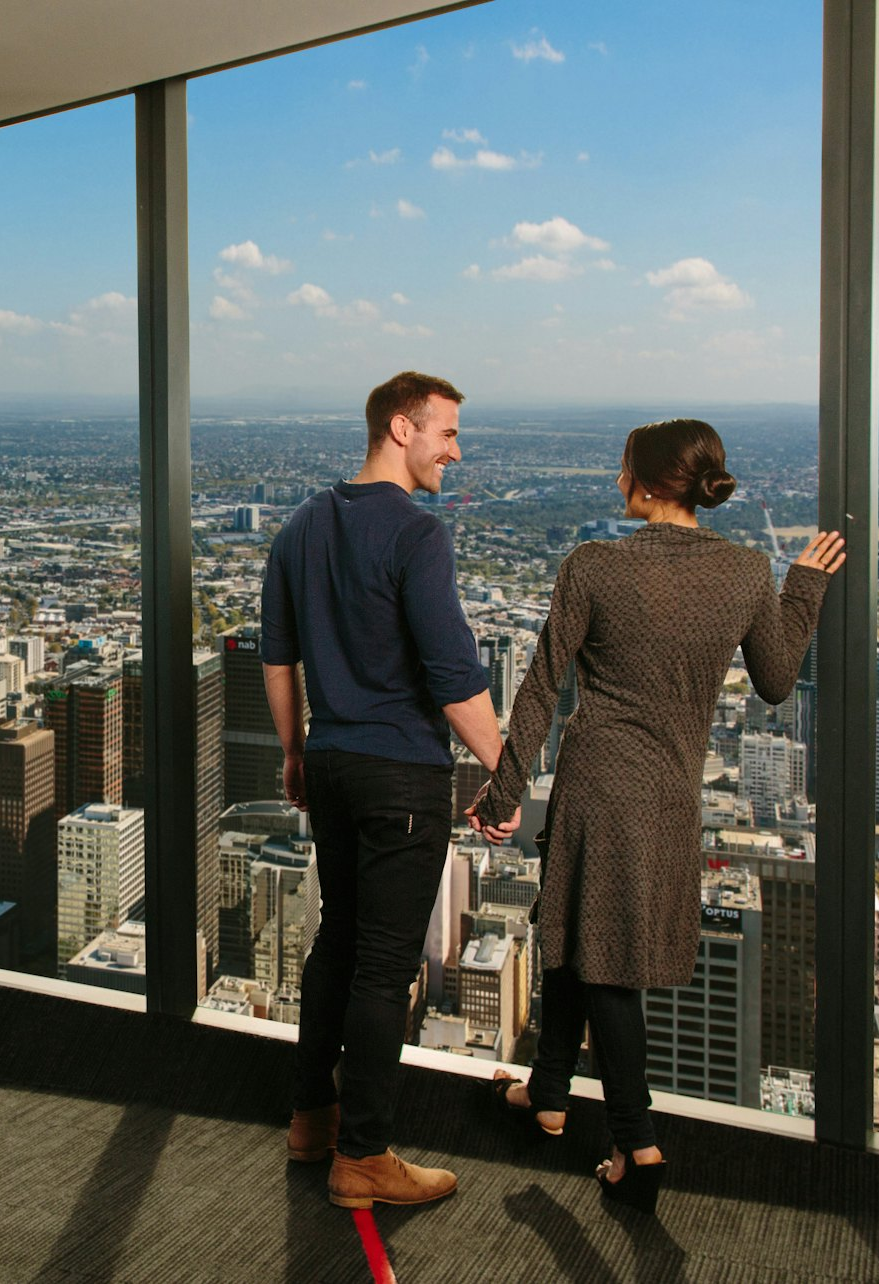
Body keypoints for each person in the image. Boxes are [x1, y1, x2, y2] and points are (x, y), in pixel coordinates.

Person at [467, 418, 844, 1214]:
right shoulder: (744, 572)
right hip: (672, 791)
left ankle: (638, 1145)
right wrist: (802, 587)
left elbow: (538, 689)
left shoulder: (595, 565)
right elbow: (777, 681)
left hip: (599, 782)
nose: (616, 481)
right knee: (578, 929)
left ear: (646, 480)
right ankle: (548, 1096)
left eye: (622, 469)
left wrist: (502, 795)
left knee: (603, 956)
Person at [261, 370, 503, 1210]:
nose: (455, 451)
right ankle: (364, 1156)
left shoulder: (298, 527)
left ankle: (310, 1119)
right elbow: (455, 680)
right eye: (447, 433)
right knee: (384, 965)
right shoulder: (416, 535)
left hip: (328, 763)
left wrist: (296, 752)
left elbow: (277, 659)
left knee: (337, 942)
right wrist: (509, 773)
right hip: (401, 771)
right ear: (402, 428)